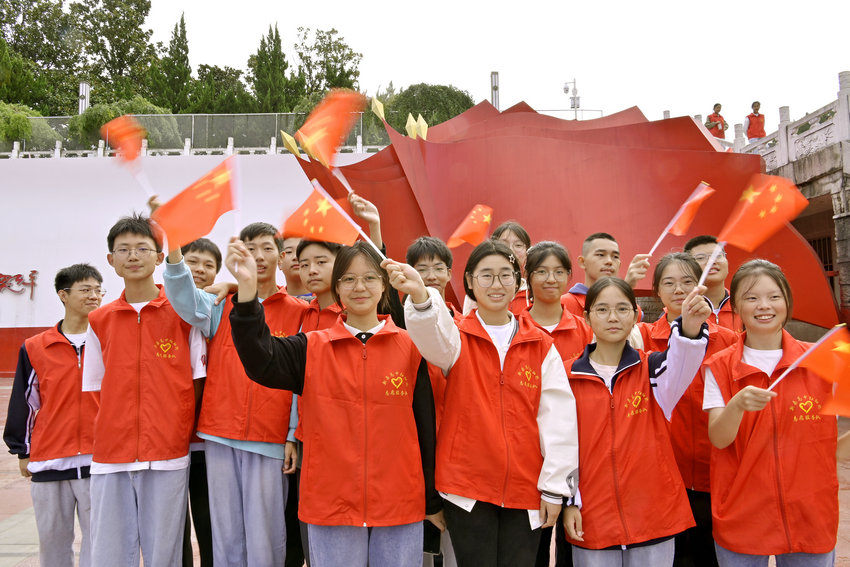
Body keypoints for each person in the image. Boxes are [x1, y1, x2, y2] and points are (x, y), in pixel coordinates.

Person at [227, 239, 443, 567]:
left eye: (370, 278)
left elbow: (425, 428)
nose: (360, 287)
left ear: (384, 285)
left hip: (399, 503)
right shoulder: (311, 348)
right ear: (337, 287)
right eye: (349, 279)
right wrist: (246, 296)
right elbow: (261, 359)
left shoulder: (412, 348)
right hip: (331, 504)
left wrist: (430, 498)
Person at [387, 239, 579, 567]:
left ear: (518, 283)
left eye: (505, 275)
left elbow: (559, 420)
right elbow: (432, 338)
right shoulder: (456, 337)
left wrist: (553, 486)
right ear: (470, 282)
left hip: (525, 490)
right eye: (485, 275)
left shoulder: (540, 345)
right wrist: (420, 296)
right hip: (466, 488)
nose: (496, 284)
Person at [162, 221, 306, 567]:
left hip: (270, 438)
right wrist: (173, 243)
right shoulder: (219, 305)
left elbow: (304, 382)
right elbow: (182, 296)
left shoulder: (300, 311)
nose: (257, 256)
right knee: (225, 533)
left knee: (266, 534)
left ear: (282, 256)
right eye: (249, 248)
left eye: (266, 248)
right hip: (219, 432)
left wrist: (291, 434)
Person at [82, 214, 206, 566]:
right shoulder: (100, 320)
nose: (132, 256)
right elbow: (93, 388)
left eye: (142, 248)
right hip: (110, 455)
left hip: (167, 452)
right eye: (123, 250)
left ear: (158, 256)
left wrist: (177, 429)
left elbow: (197, 381)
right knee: (109, 551)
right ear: (111, 260)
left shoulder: (182, 314)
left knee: (163, 550)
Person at [563, 276, 711, 566]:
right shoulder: (567, 376)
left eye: (622, 309)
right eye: (602, 309)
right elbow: (560, 447)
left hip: (653, 516)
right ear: (586, 317)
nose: (613, 317)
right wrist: (570, 502)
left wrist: (691, 328)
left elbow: (682, 360)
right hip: (592, 517)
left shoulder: (653, 371)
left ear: (635, 315)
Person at [703, 260, 842, 566]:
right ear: (736, 305)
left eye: (774, 296)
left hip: (810, 513)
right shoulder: (720, 366)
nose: (763, 306)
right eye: (751, 298)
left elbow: (832, 448)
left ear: (787, 302)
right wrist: (737, 405)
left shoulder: (820, 361)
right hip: (742, 514)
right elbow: (719, 438)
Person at [636, 253, 738, 567]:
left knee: (714, 556)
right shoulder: (643, 338)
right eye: (669, 282)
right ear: (657, 292)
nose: (679, 289)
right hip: (667, 472)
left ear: (701, 287)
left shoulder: (730, 341)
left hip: (717, 471)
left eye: (687, 282)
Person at [3, 264, 104, 567]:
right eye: (85, 289)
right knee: (52, 545)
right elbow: (25, 401)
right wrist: (21, 449)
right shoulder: (36, 347)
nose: (94, 296)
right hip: (50, 460)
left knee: (99, 542)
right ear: (63, 294)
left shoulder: (109, 342)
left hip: (99, 461)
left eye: (99, 290)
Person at [520, 242, 593, 567]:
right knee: (531, 548)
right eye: (542, 271)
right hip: (528, 454)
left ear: (569, 276)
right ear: (528, 277)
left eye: (559, 272)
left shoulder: (586, 331)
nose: (551, 279)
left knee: (573, 546)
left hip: (580, 454)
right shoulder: (514, 329)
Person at [562, 232, 650, 318]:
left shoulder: (632, 308)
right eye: (601, 255)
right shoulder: (564, 304)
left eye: (615, 256)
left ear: (619, 265)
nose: (609, 261)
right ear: (582, 262)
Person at [684, 235, 740, 331]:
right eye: (701, 258)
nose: (711, 261)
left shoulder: (741, 305)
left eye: (717, 255)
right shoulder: (683, 308)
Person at [280, 236, 313, 301]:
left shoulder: (328, 300)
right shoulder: (271, 302)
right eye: (289, 252)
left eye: (300, 251)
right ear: (279, 262)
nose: (295, 257)